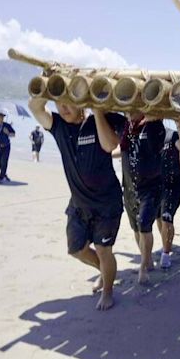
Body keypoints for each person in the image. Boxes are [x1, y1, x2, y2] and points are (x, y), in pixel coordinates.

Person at [29, 98, 125, 311]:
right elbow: (35, 107)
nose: (62, 108)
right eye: (58, 103)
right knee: (76, 250)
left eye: (68, 102)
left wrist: (97, 112)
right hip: (79, 203)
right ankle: (105, 272)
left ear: (82, 102)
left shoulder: (106, 120)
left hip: (106, 204)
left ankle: (108, 291)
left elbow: (110, 145)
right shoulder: (59, 127)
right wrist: (46, 86)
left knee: (103, 249)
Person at [120, 113, 166, 284]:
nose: (130, 113)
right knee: (136, 228)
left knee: (144, 225)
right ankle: (147, 258)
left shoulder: (154, 126)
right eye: (128, 110)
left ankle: (144, 266)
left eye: (135, 109)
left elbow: (159, 146)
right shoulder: (126, 128)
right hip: (130, 187)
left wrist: (153, 119)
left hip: (151, 187)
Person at [156, 122, 180, 269]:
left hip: (173, 186)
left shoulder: (172, 134)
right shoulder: (148, 135)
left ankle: (166, 253)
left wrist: (179, 126)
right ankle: (166, 243)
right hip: (156, 186)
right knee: (159, 218)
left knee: (166, 218)